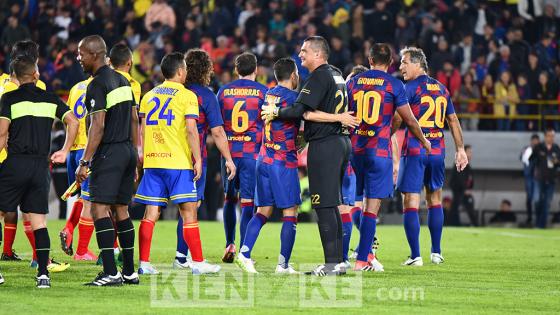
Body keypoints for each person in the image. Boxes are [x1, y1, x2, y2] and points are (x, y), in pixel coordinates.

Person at [261, 36, 359, 276]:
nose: (301, 54)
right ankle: (338, 261)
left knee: (323, 204)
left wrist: (275, 111)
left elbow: (300, 111)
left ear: (318, 54)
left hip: (326, 144)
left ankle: (332, 263)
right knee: (332, 204)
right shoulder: (336, 73)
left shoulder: (319, 76)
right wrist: (338, 119)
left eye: (304, 51)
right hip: (341, 141)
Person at [134, 52, 221, 275]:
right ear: (181, 72)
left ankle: (144, 264)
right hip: (178, 162)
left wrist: (143, 153)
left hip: (153, 162)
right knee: (189, 211)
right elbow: (191, 129)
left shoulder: (149, 95)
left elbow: (142, 128)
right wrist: (198, 159)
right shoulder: (187, 96)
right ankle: (198, 262)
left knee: (150, 213)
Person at [347, 43, 431, 272]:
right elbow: (409, 120)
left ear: (370, 59)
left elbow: (342, 113)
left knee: (353, 202)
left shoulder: (353, 82)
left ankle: (359, 255)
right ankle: (362, 260)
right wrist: (424, 141)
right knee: (371, 210)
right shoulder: (394, 84)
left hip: (355, 150)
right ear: (391, 62)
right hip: (379, 152)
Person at [0, 56, 78, 288]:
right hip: (40, 167)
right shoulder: (50, 98)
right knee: (39, 222)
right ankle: (43, 274)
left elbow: (2, 134)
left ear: (14, 77)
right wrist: (64, 150)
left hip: (14, 163)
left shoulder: (9, 99)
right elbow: (73, 121)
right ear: (35, 75)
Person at [75, 35, 139, 286]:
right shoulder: (123, 81)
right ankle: (130, 272)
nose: (79, 58)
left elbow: (97, 126)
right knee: (121, 210)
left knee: (99, 209)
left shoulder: (97, 84)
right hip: (127, 151)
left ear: (94, 55)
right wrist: (135, 154)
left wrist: (85, 161)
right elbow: (135, 120)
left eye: (81, 53)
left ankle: (111, 272)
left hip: (109, 153)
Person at [396, 47, 468, 266]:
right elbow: (453, 120)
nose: (401, 67)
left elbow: (400, 119)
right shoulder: (442, 89)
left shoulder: (408, 88)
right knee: (435, 199)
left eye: (404, 62)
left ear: (418, 64)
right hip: (437, 152)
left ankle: (415, 255)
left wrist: (384, 136)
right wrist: (461, 149)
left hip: (415, 150)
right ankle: (436, 252)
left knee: (411, 201)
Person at [236, 58, 301, 274]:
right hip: (283, 161)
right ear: (294, 75)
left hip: (263, 157)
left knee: (263, 211)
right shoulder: (294, 97)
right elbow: (304, 118)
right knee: (290, 212)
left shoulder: (268, 94)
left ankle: (244, 254)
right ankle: (283, 265)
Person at [217, 52, 268, 263]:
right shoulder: (264, 92)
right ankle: (244, 252)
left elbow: (217, 124)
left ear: (236, 70)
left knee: (229, 199)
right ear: (256, 69)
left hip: (228, 153)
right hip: (251, 153)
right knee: (248, 202)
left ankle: (230, 243)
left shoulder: (223, 91)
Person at [530, 128, 560, 228]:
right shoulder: (539, 147)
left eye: (552, 136)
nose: (551, 138)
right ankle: (538, 220)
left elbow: (558, 163)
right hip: (539, 178)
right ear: (545, 136)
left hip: (551, 179)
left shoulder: (557, 148)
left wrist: (557, 162)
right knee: (537, 201)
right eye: (549, 136)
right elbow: (531, 159)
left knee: (547, 203)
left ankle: (541, 226)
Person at [449, 145, 477, 226]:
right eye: (468, 152)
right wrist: (465, 190)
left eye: (471, 153)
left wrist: (469, 189)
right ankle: (453, 224)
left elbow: (470, 179)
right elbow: (459, 180)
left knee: (466, 208)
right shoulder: (460, 164)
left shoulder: (468, 166)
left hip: (464, 192)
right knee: (455, 208)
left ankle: (475, 225)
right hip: (459, 191)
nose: (470, 154)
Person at [520, 134, 540, 226]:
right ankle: (530, 217)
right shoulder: (527, 149)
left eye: (536, 140)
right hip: (529, 176)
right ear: (531, 141)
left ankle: (537, 218)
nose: (535, 142)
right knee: (529, 198)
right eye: (534, 140)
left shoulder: (541, 149)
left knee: (537, 199)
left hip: (538, 178)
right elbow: (522, 159)